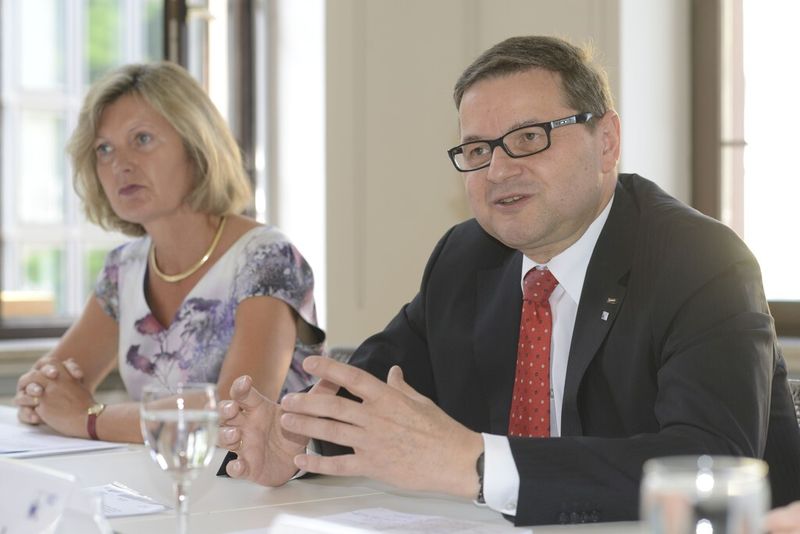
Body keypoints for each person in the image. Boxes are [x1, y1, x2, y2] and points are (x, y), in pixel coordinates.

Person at [216, 35, 800, 525]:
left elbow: (712, 460)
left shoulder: (700, 260)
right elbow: (375, 397)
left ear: (608, 143)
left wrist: (476, 463)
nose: (498, 169)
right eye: (477, 149)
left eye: (529, 138)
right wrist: (294, 440)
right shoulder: (466, 257)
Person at [13, 62, 325, 443]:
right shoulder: (122, 269)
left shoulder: (266, 258)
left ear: (196, 147)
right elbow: (53, 383)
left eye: (141, 139)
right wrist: (40, 396)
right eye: (104, 149)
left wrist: (89, 418)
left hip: (270, 495)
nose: (120, 165)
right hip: (161, 484)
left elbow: (234, 413)